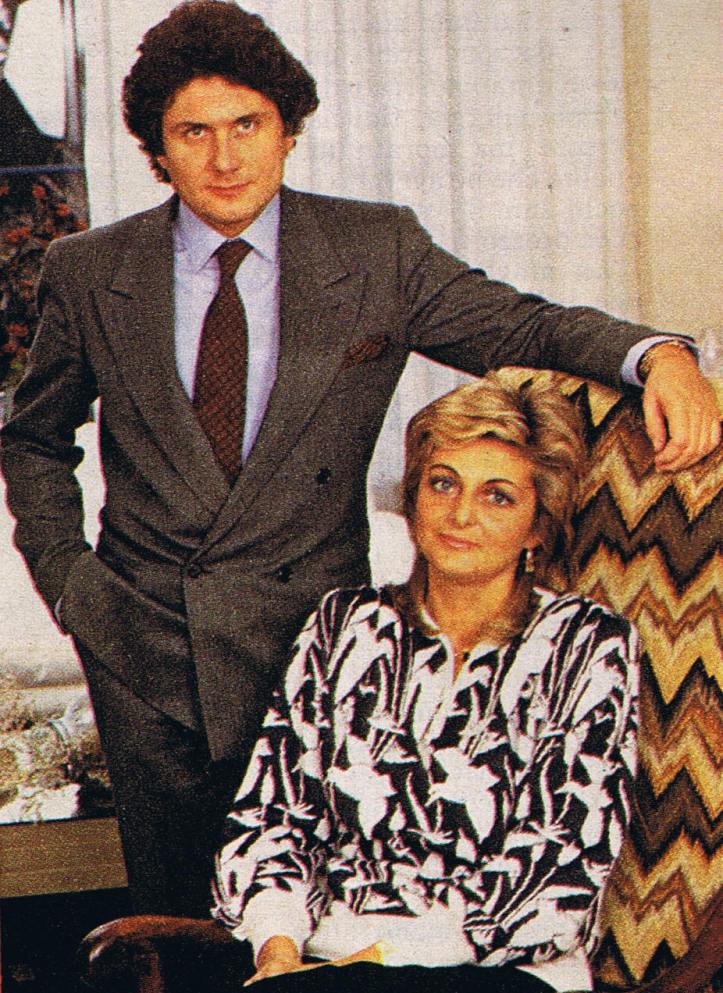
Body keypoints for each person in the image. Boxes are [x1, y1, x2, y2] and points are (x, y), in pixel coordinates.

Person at [0, 0, 716, 918]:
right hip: (143, 649)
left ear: (287, 130)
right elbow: (34, 436)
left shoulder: (376, 248)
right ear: (157, 148)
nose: (225, 158)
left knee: (320, 927)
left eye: (247, 125)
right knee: (180, 932)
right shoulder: (90, 268)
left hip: (320, 650)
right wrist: (73, 586)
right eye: (194, 133)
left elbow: (523, 325)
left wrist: (657, 355)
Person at [212, 374, 639, 993]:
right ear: (413, 500)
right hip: (326, 966)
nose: (461, 515)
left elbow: (561, 868)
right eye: (443, 483)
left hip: (502, 971)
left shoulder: (589, 645)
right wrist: (278, 951)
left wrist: (374, 962)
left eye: (498, 497)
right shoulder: (342, 626)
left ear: (538, 528)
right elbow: (272, 818)